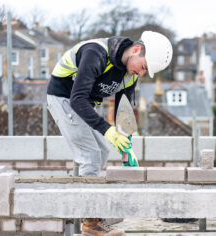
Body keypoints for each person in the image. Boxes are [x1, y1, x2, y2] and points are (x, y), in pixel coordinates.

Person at [46, 31, 173, 236]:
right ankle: (90, 222)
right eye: (142, 67)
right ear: (137, 50)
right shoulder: (96, 53)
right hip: (63, 98)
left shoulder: (129, 75)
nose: (140, 74)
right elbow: (76, 99)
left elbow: (124, 113)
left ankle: (88, 210)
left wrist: (126, 147)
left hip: (85, 103)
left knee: (103, 149)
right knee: (90, 156)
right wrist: (108, 130)